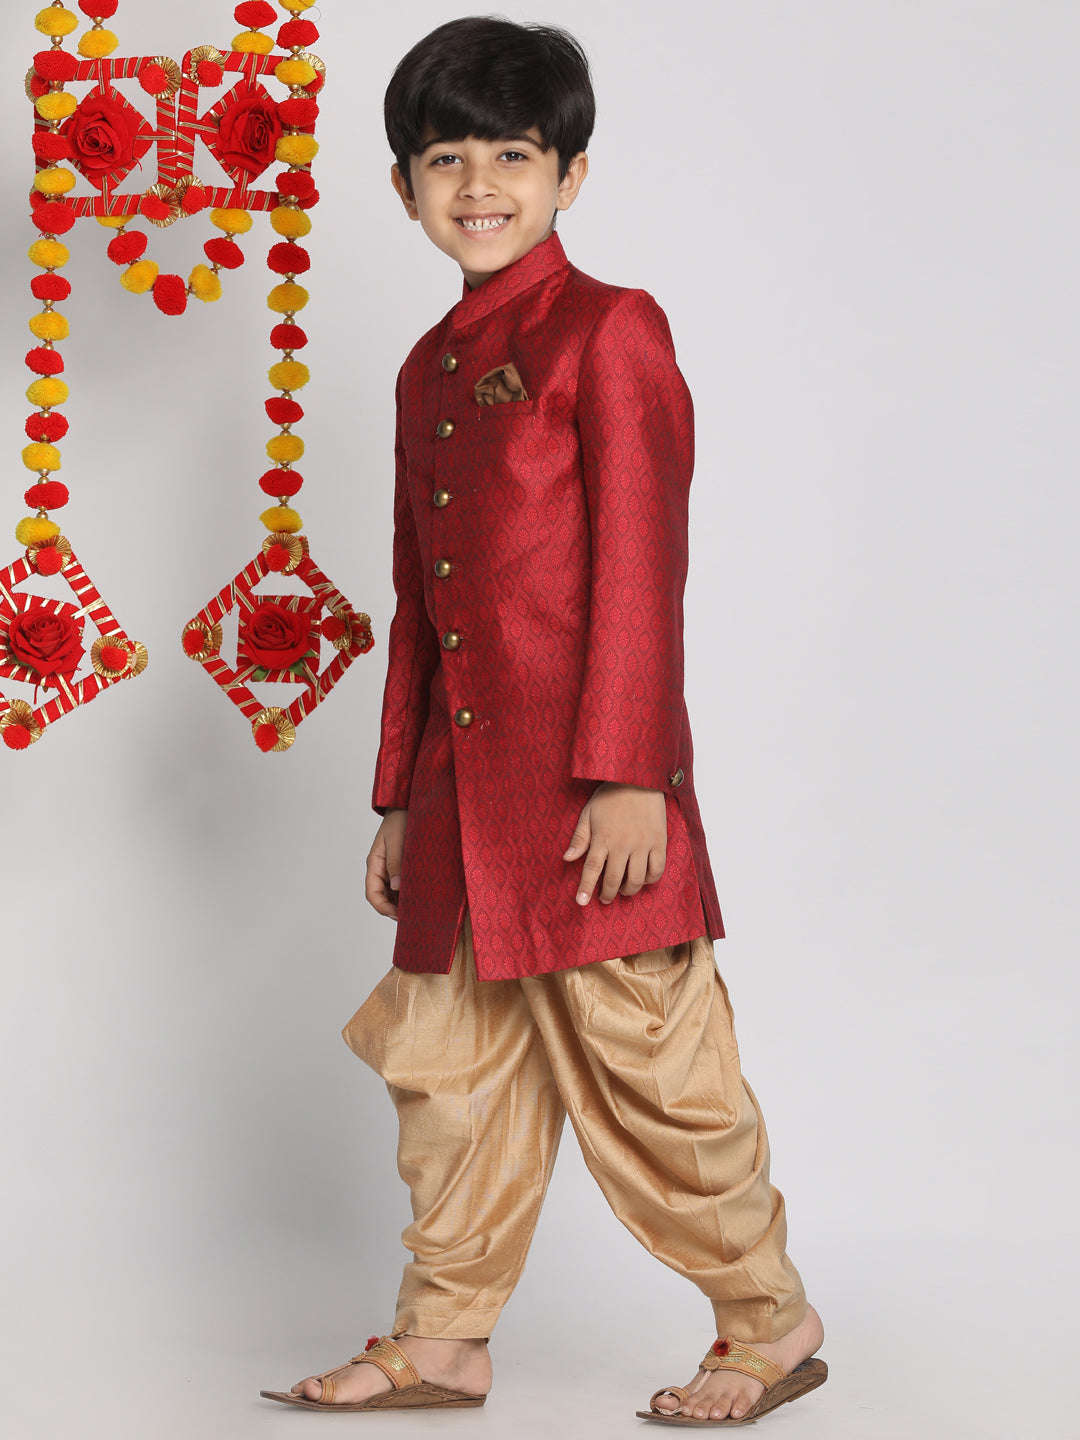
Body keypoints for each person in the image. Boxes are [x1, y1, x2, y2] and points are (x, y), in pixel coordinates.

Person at [261, 16, 826, 1426]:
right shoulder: (425, 369)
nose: (478, 185)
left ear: (570, 174)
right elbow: (422, 595)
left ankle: (769, 1321)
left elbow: (643, 557)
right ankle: (444, 1339)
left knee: (658, 1071)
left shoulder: (610, 328)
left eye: (512, 155)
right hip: (461, 798)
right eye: (445, 158)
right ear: (404, 186)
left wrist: (632, 774)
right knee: (445, 1076)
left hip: (591, 795)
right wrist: (399, 798)